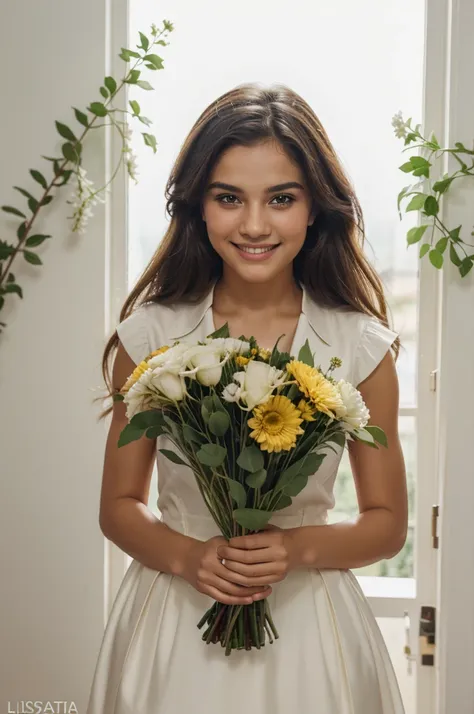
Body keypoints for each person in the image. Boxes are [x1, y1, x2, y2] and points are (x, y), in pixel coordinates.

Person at [87, 82, 408, 714]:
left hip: (311, 630)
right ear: (197, 207)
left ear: (314, 207)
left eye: (281, 199)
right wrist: (189, 557)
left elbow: (388, 523)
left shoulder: (360, 346)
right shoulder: (151, 335)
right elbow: (118, 506)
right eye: (229, 197)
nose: (254, 224)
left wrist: (295, 549)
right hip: (173, 620)